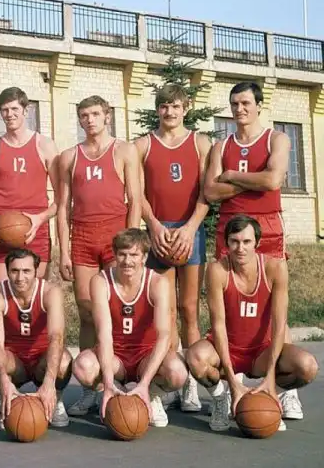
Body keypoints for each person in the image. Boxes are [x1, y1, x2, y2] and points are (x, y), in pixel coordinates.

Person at [203, 81, 302, 420]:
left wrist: (231, 176)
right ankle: (234, 380)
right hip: (230, 228)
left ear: (259, 105)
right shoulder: (221, 146)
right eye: (234, 103)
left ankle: (283, 389)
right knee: (229, 300)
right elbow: (210, 192)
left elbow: (273, 181)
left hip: (268, 225)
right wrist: (252, 180)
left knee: (274, 304)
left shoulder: (277, 139)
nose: (239, 109)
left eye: (245, 103)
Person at [185, 215, 318, 432]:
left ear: (257, 242)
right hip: (227, 350)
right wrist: (232, 383)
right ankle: (221, 399)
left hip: (261, 353)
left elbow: (279, 325)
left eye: (246, 242)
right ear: (226, 243)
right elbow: (218, 326)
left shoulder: (275, 268)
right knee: (195, 357)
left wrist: (270, 378)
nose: (240, 248)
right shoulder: (218, 270)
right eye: (234, 241)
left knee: (307, 366)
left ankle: (271, 394)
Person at [57, 95, 141, 415]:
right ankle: (91, 387)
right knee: (87, 311)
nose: (89, 120)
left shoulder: (124, 150)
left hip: (115, 237)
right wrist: (63, 252)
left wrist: (131, 245)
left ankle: (122, 378)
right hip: (82, 237)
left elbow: (135, 199)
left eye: (95, 114)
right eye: (84, 115)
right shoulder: (70, 157)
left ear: (107, 116)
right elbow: (63, 208)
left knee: (118, 310)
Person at [134, 84, 211, 412]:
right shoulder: (143, 145)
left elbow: (207, 193)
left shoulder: (200, 143)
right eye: (164, 106)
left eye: (176, 106)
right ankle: (169, 377)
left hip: (191, 230)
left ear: (186, 108)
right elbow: (138, 195)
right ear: (158, 109)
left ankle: (191, 382)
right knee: (164, 312)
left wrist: (191, 228)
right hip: (160, 232)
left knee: (189, 308)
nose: (170, 112)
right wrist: (153, 226)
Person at [72, 229, 187, 427]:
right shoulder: (100, 281)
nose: (127, 261)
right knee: (83, 366)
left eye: (134, 255)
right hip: (116, 357)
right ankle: (113, 391)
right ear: (115, 255)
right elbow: (104, 334)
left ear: (144, 257)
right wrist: (108, 382)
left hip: (145, 355)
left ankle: (151, 394)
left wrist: (144, 383)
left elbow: (164, 336)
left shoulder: (157, 282)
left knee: (177, 373)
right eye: (122, 254)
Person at [0, 248, 72, 427]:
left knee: (64, 362)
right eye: (14, 271)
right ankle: (10, 397)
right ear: (7, 271)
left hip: (42, 359)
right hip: (15, 362)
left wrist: (49, 381)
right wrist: (3, 380)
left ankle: (54, 396)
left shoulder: (50, 292)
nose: (20, 277)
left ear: (36, 271)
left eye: (26, 271)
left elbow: (56, 337)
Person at [0, 87, 60, 284]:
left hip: (35, 229)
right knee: (1, 293)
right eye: (5, 110)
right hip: (2, 228)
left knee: (37, 295)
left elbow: (61, 198)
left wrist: (40, 218)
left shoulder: (45, 145)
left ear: (26, 110)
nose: (10, 114)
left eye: (14, 109)